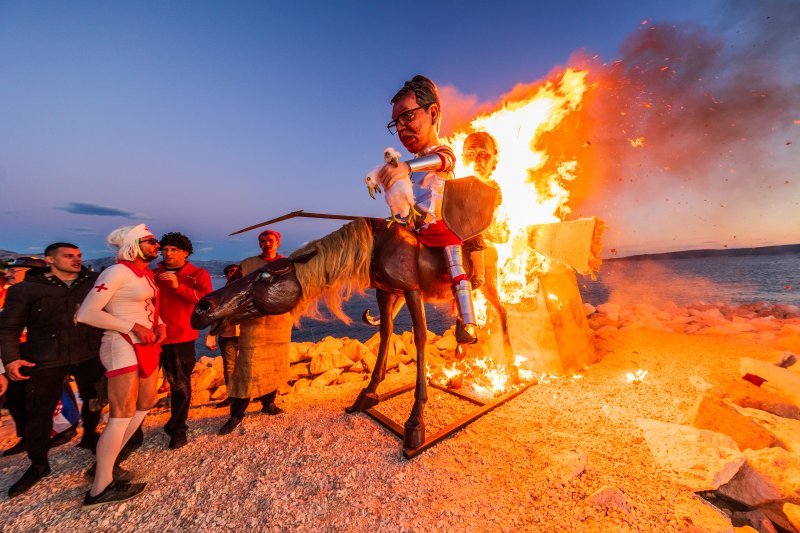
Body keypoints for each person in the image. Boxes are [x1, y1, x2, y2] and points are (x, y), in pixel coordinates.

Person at [377, 74, 478, 344]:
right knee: (397, 265)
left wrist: (407, 166)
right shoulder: (409, 169)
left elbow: (444, 160)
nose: (401, 129)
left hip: (440, 225)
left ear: (432, 112)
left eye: (407, 117)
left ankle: (468, 321)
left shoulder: (441, 152)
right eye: (396, 123)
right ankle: (384, 315)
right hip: (414, 227)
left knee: (455, 264)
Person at [0, 244, 105, 497]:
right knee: (39, 411)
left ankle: (90, 436)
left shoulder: (91, 282)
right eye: (68, 256)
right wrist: (12, 359)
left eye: (79, 255)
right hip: (46, 357)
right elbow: (8, 328)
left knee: (93, 400)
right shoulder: (25, 290)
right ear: (50, 259)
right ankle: (38, 464)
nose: (76, 260)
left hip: (88, 353)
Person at [76, 224, 166, 508]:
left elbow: (147, 306)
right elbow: (86, 313)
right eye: (150, 241)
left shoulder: (144, 274)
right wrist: (133, 326)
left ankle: (109, 463)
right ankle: (100, 488)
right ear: (133, 244)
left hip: (146, 344)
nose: (157, 245)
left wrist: (159, 324)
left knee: (147, 401)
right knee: (121, 413)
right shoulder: (115, 272)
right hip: (121, 343)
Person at [218, 230, 291, 435]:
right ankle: (236, 415)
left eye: (270, 240)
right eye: (262, 241)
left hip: (279, 323)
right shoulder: (248, 264)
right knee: (247, 368)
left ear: (277, 241)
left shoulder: (287, 264)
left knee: (274, 364)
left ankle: (268, 403)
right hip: (254, 323)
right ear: (259, 244)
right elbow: (231, 288)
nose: (266, 244)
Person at [152, 232, 212, 449]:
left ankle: (178, 429)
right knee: (145, 386)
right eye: (165, 249)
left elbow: (205, 302)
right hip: (151, 338)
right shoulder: (153, 274)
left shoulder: (197, 274)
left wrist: (179, 286)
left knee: (180, 384)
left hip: (180, 336)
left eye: (174, 249)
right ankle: (132, 431)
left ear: (185, 252)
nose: (168, 253)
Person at [1, 256, 48, 457]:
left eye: (15, 270)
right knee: (15, 397)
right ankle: (27, 437)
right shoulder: (11, 294)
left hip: (36, 350)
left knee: (36, 396)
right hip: (13, 350)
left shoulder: (41, 294)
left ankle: (51, 433)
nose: (9, 273)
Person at [461, 131, 506, 289]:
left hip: (483, 242)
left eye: (483, 155)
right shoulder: (459, 186)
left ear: (494, 160)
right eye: (470, 155)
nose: (476, 161)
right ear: (462, 158)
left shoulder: (493, 189)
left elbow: (497, 231)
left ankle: (478, 273)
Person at [205, 264, 242, 408]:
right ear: (226, 275)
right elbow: (214, 316)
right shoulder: (220, 295)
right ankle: (232, 396)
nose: (234, 273)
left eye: (236, 271)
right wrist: (211, 335)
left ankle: (253, 394)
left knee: (250, 364)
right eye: (230, 271)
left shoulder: (247, 292)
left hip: (247, 334)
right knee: (230, 367)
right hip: (227, 335)